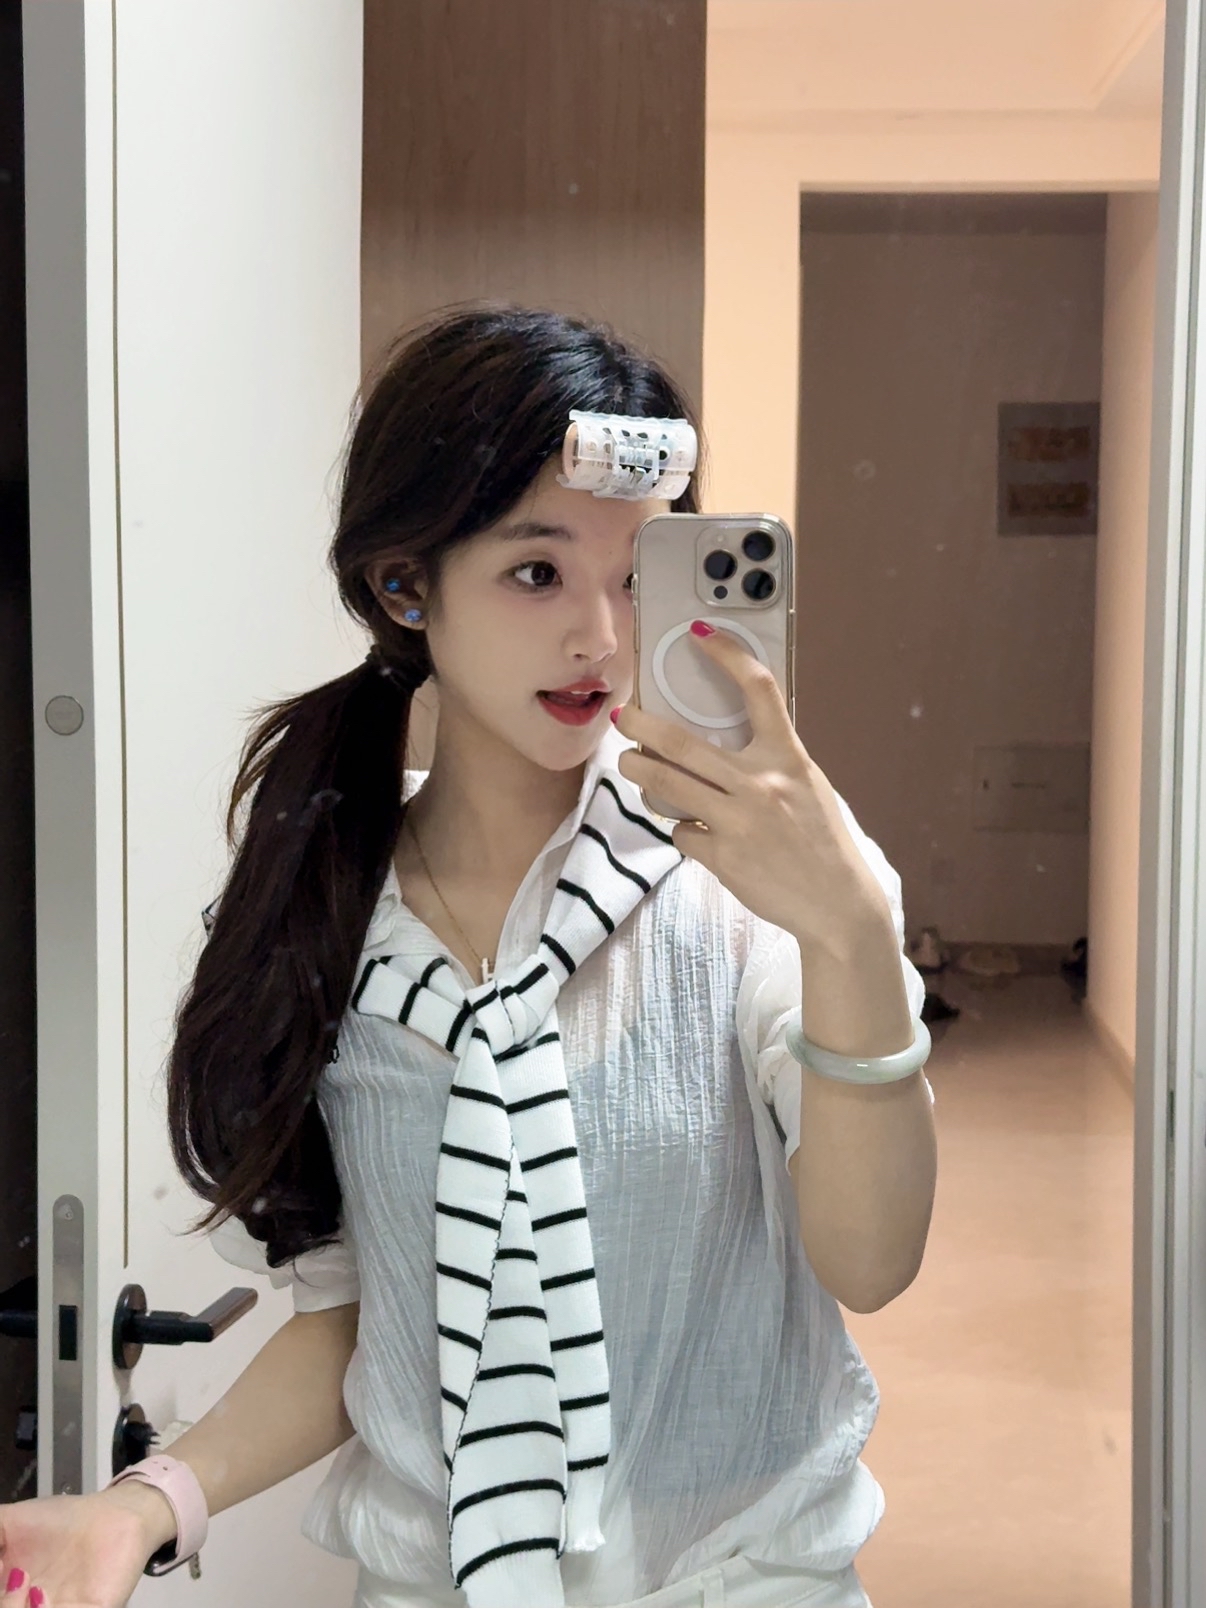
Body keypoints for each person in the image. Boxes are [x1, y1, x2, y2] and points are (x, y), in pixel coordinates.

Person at [0, 305, 937, 1608]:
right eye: (536, 572)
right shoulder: (326, 914)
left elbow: (872, 1264)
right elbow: (361, 1322)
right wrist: (140, 1505)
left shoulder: (751, 891)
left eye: (636, 575)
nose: (600, 637)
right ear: (406, 587)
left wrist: (850, 932)